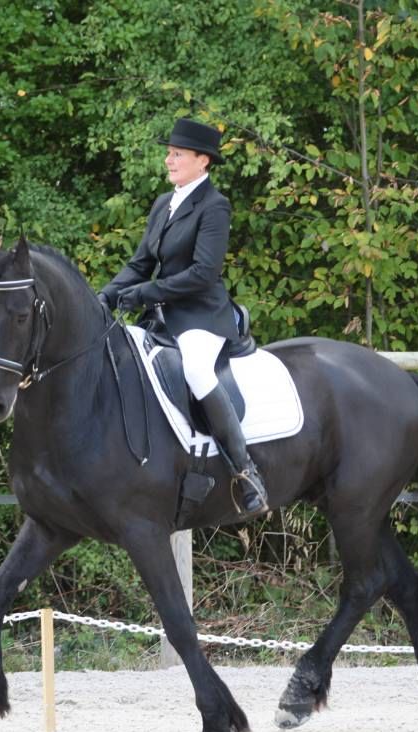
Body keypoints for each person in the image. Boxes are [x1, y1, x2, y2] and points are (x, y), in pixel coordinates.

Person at [98, 118, 267, 516]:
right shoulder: (164, 203)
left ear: (202, 161)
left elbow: (203, 273)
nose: (169, 160)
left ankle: (245, 472)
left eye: (177, 154)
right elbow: (140, 264)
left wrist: (145, 293)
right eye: (169, 153)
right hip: (162, 315)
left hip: (200, 314)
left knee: (196, 371)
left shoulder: (214, 206)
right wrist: (104, 296)